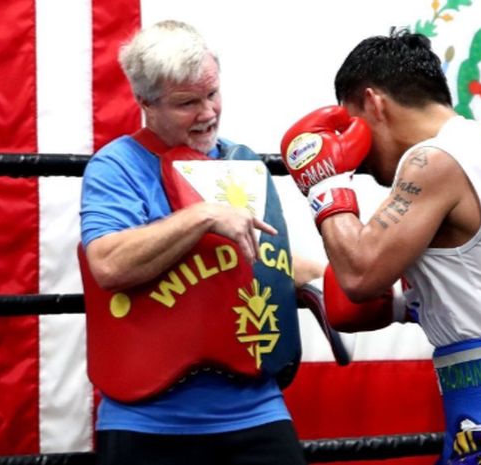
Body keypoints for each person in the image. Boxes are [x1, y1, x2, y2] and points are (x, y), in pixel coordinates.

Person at [280, 31, 481, 464]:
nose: (353, 156)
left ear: (375, 104)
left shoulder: (433, 161)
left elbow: (358, 275)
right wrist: (405, 302)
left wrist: (324, 182)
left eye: (351, 123)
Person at [79, 20, 322, 465]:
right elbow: (108, 266)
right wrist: (202, 215)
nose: (207, 113)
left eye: (211, 94)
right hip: (149, 419)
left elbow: (268, 260)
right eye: (187, 103)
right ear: (144, 103)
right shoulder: (117, 167)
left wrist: (351, 282)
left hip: (255, 409)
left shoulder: (241, 165)